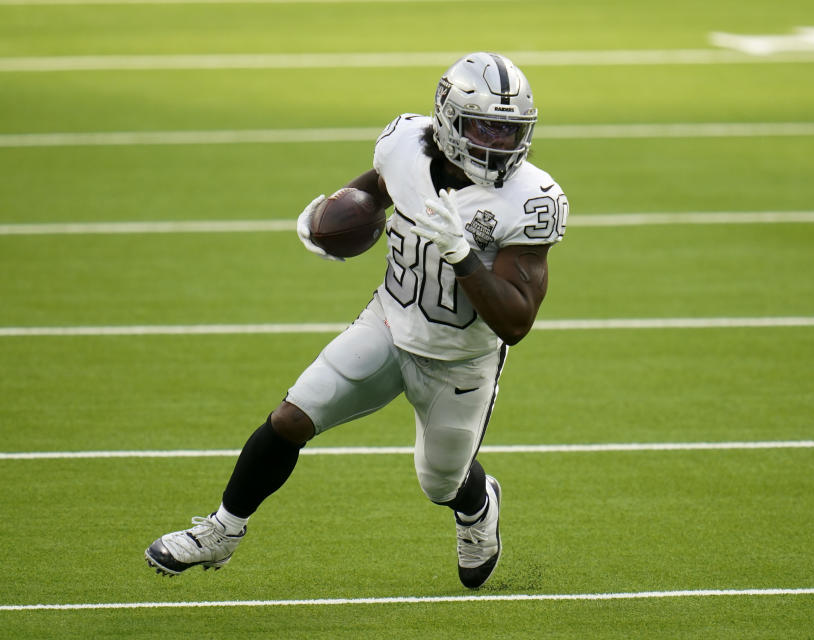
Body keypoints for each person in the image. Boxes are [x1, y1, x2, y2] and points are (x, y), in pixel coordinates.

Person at [145, 52, 568, 589]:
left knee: (440, 482)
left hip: (461, 360)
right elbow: (375, 187)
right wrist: (336, 215)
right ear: (447, 120)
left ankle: (477, 504)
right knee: (291, 417)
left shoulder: (533, 197)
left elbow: (516, 322)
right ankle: (222, 531)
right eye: (485, 126)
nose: (498, 143)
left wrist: (461, 254)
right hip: (389, 323)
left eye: (510, 131)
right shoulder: (404, 145)